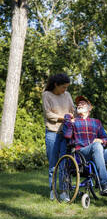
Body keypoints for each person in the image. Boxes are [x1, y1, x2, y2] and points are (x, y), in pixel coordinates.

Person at [63, 95, 107, 194]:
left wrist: (102, 141)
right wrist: (68, 119)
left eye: (83, 103)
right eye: (78, 104)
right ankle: (105, 184)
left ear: (89, 108)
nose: (80, 104)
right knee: (96, 146)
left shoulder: (96, 122)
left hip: (99, 154)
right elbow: (67, 136)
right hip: (82, 154)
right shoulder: (73, 121)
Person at [42, 73, 75, 201]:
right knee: (53, 164)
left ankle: (64, 192)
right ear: (55, 85)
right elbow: (48, 114)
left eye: (66, 87)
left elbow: (72, 110)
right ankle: (53, 190)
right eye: (63, 87)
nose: (65, 90)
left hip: (66, 133)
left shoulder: (67, 95)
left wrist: (81, 110)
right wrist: (64, 118)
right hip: (52, 133)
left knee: (65, 164)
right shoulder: (46, 95)